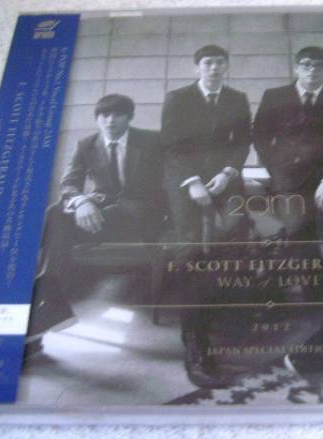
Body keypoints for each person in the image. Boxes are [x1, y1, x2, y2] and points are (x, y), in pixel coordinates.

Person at [253, 46, 323, 389]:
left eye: (319, 66)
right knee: (299, 233)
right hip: (290, 182)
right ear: (296, 68)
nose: (312, 70)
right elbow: (260, 135)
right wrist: (278, 170)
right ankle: (317, 303)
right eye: (306, 64)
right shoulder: (275, 96)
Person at [27, 93, 163, 356]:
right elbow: (69, 182)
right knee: (57, 213)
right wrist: (81, 202)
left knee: (58, 230)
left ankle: (48, 305)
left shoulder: (152, 141)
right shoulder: (87, 144)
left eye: (118, 114)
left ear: (130, 117)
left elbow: (169, 180)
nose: (110, 121)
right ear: (97, 118)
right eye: (104, 115)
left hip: (142, 215)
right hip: (101, 214)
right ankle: (51, 303)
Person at [160, 45, 251, 388]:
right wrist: (193, 181)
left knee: (235, 242)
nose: (214, 68)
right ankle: (195, 341)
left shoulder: (237, 98)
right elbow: (171, 145)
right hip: (185, 181)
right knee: (192, 251)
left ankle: (222, 320)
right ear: (197, 67)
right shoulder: (178, 98)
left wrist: (227, 173)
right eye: (208, 63)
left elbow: (243, 141)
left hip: (225, 180)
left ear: (227, 67)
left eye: (220, 63)